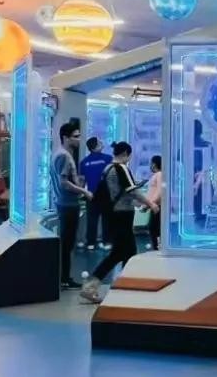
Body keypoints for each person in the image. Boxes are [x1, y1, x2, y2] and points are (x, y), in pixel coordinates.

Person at [81, 141, 158, 303]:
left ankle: (123, 287)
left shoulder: (107, 169)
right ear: (125, 154)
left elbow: (120, 192)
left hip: (113, 214)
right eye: (129, 156)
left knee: (126, 252)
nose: (129, 159)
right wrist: (150, 203)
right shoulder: (121, 168)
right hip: (123, 215)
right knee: (123, 252)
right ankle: (93, 286)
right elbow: (132, 191)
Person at [51, 122, 91, 290]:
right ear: (65, 138)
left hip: (66, 203)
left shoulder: (60, 154)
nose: (79, 139)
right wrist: (84, 191)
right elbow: (63, 183)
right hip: (67, 205)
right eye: (75, 136)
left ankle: (65, 278)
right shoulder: (64, 156)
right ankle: (64, 279)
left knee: (67, 243)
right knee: (67, 244)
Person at [79, 137, 113, 250]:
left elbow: (82, 181)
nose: (102, 143)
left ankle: (91, 243)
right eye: (99, 142)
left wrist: (82, 192)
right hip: (104, 194)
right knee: (106, 219)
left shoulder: (84, 162)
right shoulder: (108, 159)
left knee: (93, 219)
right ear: (94, 147)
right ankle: (106, 242)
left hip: (92, 194)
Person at [145, 155, 163, 250]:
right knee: (153, 228)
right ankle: (156, 247)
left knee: (154, 229)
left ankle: (157, 248)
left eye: (151, 163)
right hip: (154, 206)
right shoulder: (156, 175)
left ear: (154, 164)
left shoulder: (159, 174)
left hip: (157, 206)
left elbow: (160, 192)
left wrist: (150, 203)